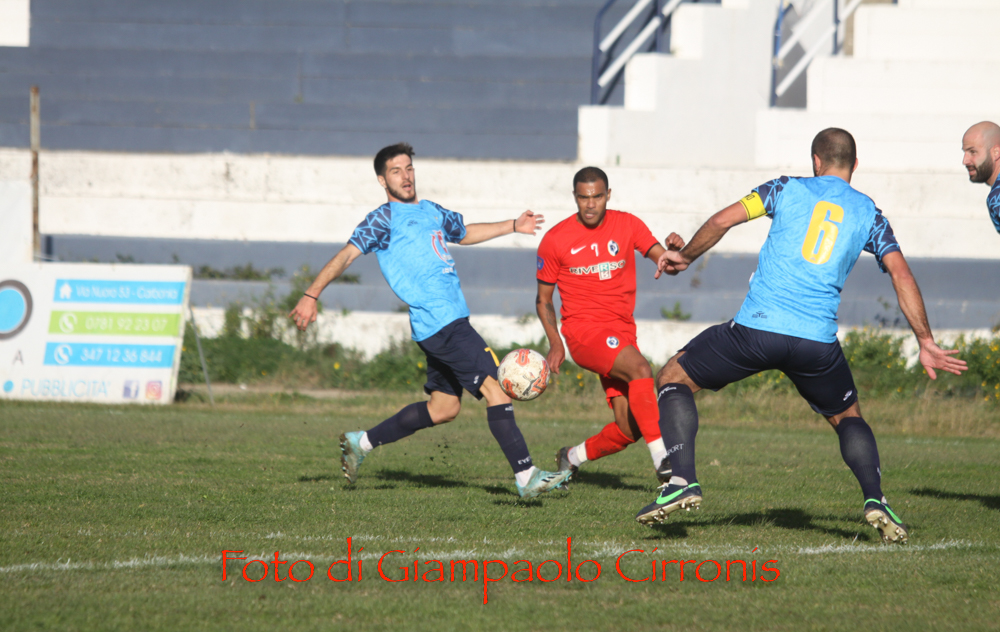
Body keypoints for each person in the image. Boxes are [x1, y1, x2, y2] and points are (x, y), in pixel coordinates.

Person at [635, 128, 967, 544]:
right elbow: (901, 274)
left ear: (816, 161)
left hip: (756, 331)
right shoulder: (870, 213)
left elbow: (722, 220)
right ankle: (876, 499)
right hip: (816, 344)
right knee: (848, 417)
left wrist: (684, 256)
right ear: (855, 165)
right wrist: (925, 340)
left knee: (673, 377)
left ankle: (682, 480)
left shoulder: (784, 188)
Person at [288, 143, 571, 499]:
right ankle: (526, 475)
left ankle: (361, 442)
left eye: (409, 168)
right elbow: (346, 255)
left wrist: (513, 225)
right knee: (497, 390)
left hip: (441, 324)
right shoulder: (383, 219)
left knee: (444, 408)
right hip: (443, 323)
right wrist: (311, 294)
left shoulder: (431, 211)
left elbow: (464, 232)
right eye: (396, 171)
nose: (405, 176)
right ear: (382, 180)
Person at [536, 166, 682, 483]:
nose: (590, 204)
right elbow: (543, 299)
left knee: (630, 427)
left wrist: (673, 254)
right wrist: (556, 342)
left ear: (608, 195)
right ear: (575, 197)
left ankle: (571, 457)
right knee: (641, 369)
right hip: (584, 333)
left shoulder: (627, 225)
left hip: (622, 333)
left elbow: (667, 263)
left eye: (597, 197)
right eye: (583, 197)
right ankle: (664, 460)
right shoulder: (555, 240)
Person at [961, 121, 1000, 235]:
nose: (965, 161)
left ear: (996, 152)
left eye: (973, 152)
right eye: (965, 152)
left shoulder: (997, 197)